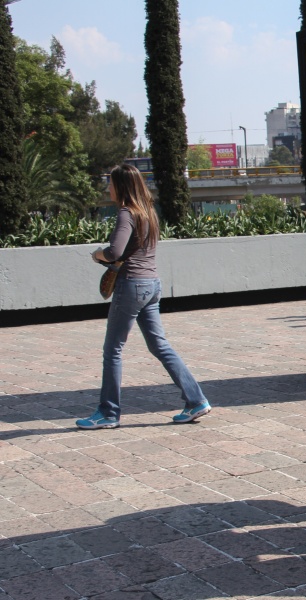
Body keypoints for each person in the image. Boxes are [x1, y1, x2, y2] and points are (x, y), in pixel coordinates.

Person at [76, 164, 210, 430]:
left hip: (132, 286)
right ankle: (196, 400)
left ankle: (108, 413)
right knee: (159, 345)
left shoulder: (127, 213)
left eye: (111, 183)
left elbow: (115, 252)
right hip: (152, 284)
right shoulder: (149, 213)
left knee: (112, 350)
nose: (108, 188)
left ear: (122, 186)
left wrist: (97, 254)